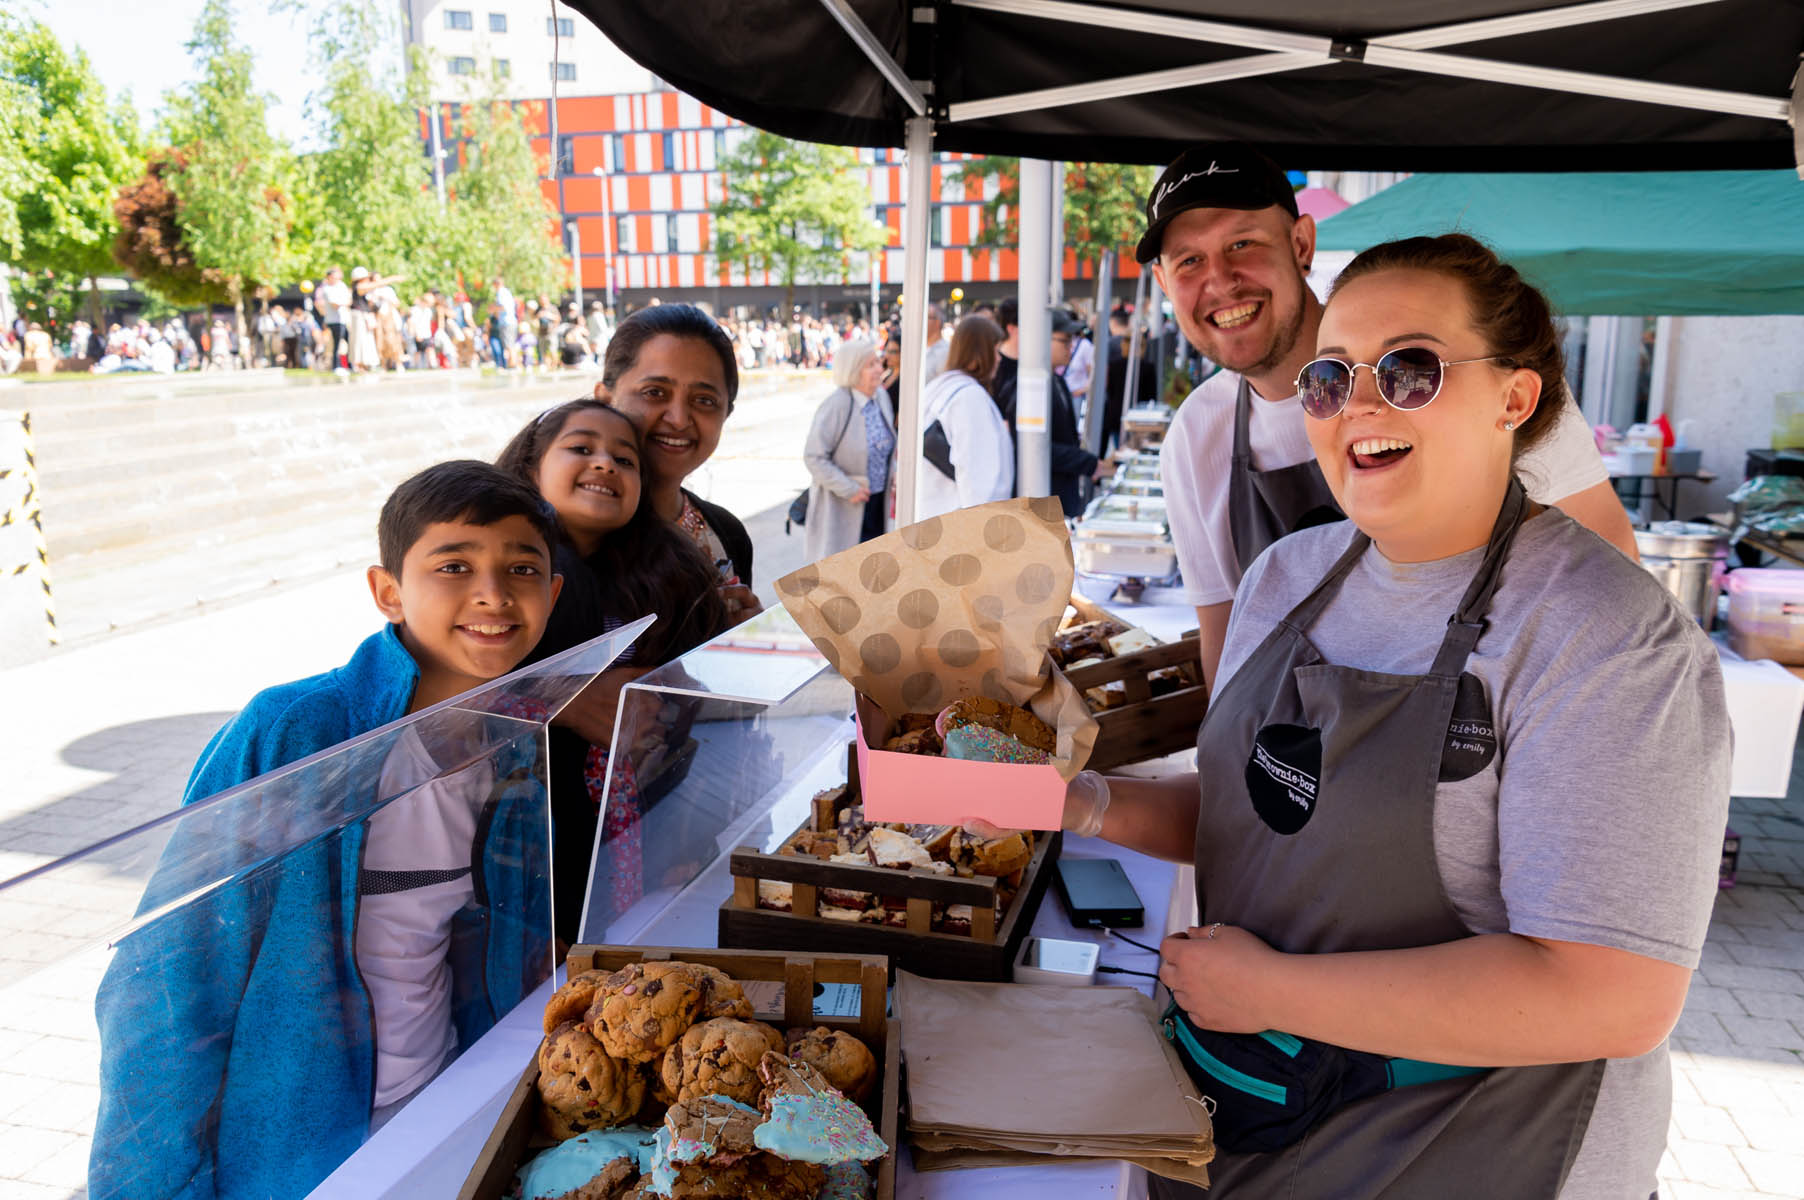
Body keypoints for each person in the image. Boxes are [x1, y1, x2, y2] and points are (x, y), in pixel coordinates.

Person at [1013, 234, 1730, 1199]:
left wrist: (1267, 990)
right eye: (1329, 377)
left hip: (1473, 1152)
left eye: (1409, 369)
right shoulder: (1287, 580)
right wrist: (1081, 802)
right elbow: (1261, 814)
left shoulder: (1605, 640)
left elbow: (1609, 994)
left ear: (1514, 400)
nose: (1359, 402)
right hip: (1253, 1118)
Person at [91, 462, 565, 1200]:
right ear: (387, 592)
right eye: (454, 565)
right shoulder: (297, 733)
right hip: (302, 1153)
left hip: (446, 1114)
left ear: (553, 593)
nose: (492, 593)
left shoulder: (513, 746)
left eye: (522, 568)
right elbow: (170, 981)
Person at [1141, 144, 1641, 689]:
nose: (1221, 278)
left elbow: (1608, 558)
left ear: (1302, 243)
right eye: (1189, 260)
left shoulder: (1481, 374)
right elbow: (1226, 639)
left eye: (1243, 243)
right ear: (1165, 284)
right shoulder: (1195, 437)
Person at [497, 399, 729, 940]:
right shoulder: (506, 575)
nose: (604, 464)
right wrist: (566, 700)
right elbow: (463, 692)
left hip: (634, 824)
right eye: (581, 449)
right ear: (532, 467)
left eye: (625, 461)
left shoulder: (662, 573)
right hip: (534, 830)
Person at [595, 304, 762, 624]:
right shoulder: (563, 534)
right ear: (605, 399)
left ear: (726, 413)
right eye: (654, 392)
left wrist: (744, 638)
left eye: (704, 400)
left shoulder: (727, 534)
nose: (679, 418)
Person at [995, 308, 1106, 518]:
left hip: (1059, 498)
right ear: (1041, 340)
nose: (1070, 347)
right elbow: (1031, 445)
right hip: (1043, 503)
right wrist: (1086, 462)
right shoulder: (1029, 386)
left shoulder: (1055, 380)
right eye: (1064, 341)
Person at [802, 337, 896, 561]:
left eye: (878, 362)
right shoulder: (837, 405)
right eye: (870, 365)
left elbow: (887, 444)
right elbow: (813, 457)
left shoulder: (880, 397)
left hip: (876, 503)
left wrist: (894, 473)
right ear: (853, 370)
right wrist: (849, 488)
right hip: (843, 508)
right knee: (846, 572)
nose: (878, 369)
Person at [916, 313, 1014, 519]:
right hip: (961, 522)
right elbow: (976, 473)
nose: (999, 359)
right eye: (995, 351)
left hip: (937, 514)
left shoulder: (941, 387)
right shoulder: (969, 397)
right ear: (981, 353)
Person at [316, 266, 351, 371]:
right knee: (336, 344)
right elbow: (335, 304)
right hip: (333, 320)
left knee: (349, 342)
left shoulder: (341, 286)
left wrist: (344, 302)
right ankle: (336, 366)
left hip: (343, 319)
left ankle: (349, 365)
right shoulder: (326, 289)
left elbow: (348, 300)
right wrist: (344, 302)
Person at [923, 301, 950, 381]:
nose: (921, 321)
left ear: (938, 321)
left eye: (926, 317)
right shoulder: (917, 348)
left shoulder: (946, 350)